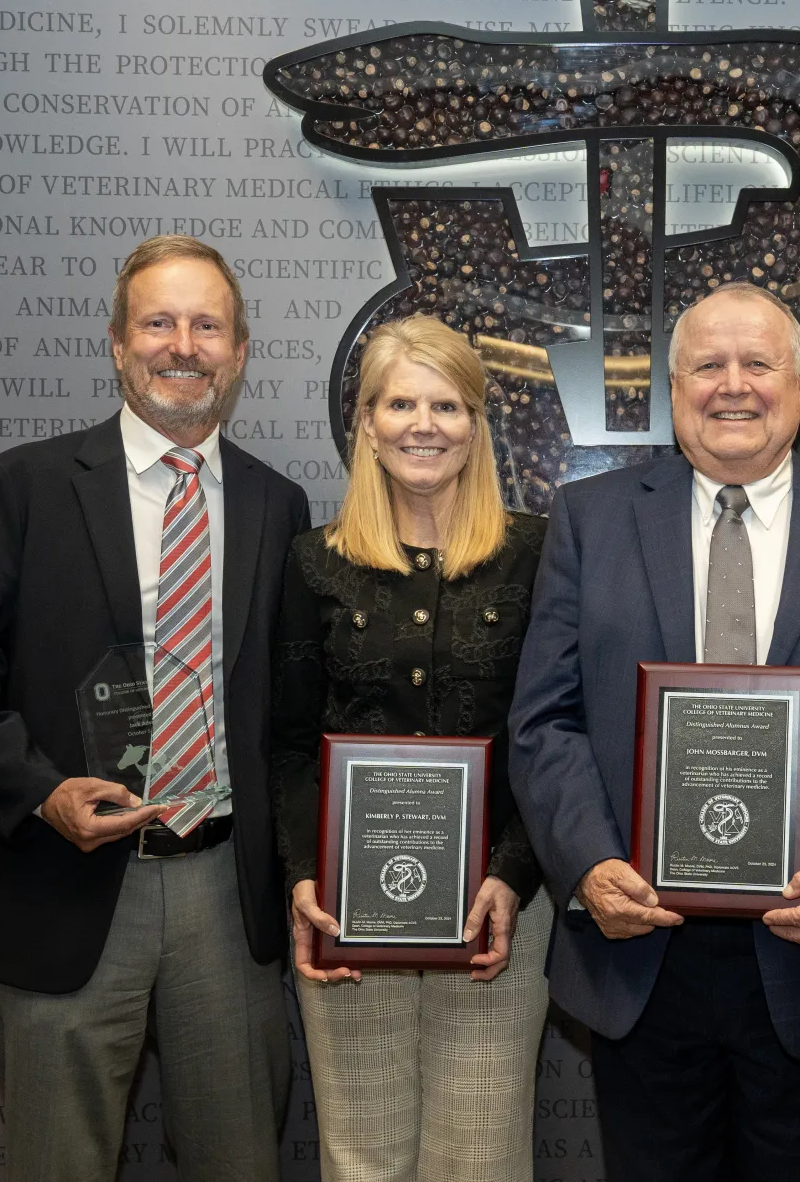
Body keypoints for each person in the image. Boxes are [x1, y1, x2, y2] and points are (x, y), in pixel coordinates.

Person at [509, 282, 800, 1181]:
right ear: (671, 390)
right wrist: (591, 864)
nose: (732, 386)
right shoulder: (590, 523)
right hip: (641, 953)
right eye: (706, 365)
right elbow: (544, 719)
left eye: (757, 363)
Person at [0, 235, 309, 1181]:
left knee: (238, 1161)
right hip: (64, 882)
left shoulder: (275, 504)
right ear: (118, 346)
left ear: (240, 350)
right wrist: (41, 793)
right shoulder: (25, 487)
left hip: (223, 887)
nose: (184, 345)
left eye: (208, 325)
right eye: (158, 322)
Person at [273, 316, 550, 1182]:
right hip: (349, 910)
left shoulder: (536, 556)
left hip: (497, 907)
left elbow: (553, 734)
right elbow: (285, 744)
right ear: (364, 420)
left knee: (481, 1154)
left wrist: (510, 872)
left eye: (445, 405)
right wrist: (307, 876)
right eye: (399, 402)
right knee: (362, 1154)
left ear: (476, 425)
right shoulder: (313, 564)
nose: (422, 424)